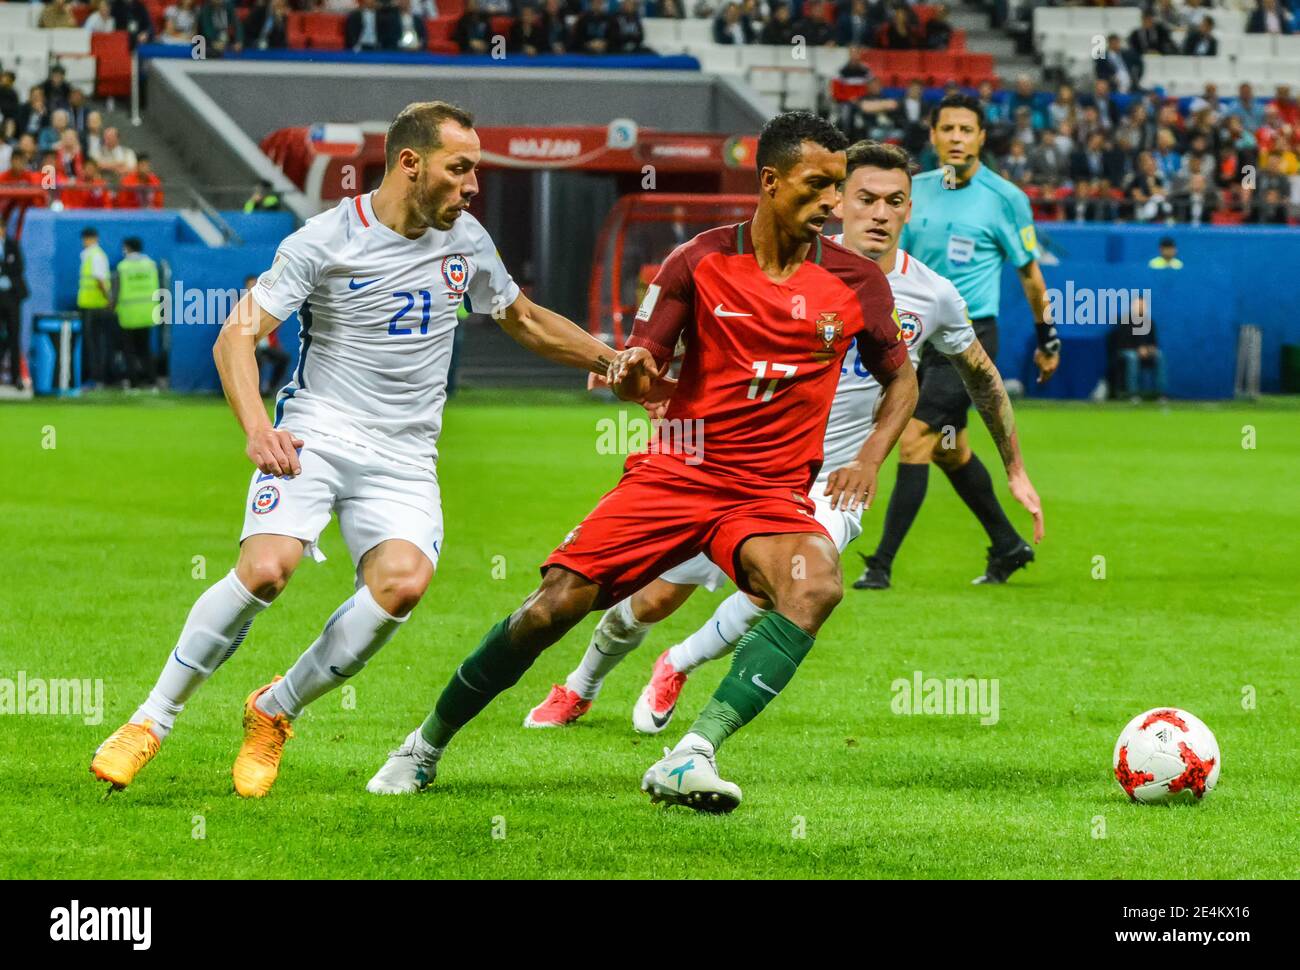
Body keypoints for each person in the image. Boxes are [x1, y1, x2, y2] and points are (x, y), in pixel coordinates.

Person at [89, 101, 644, 797]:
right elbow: (236, 335)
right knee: (266, 569)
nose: (474, 185)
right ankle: (151, 719)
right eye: (460, 167)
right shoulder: (324, 240)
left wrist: (613, 358)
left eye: (477, 169)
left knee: (402, 587)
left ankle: (274, 709)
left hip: (406, 457)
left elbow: (523, 318)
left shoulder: (466, 240)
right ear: (410, 164)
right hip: (317, 431)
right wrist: (258, 428)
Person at [366, 111, 918, 812]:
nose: (832, 205)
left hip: (770, 493)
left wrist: (870, 457)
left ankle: (692, 754)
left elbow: (901, 379)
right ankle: (423, 746)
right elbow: (645, 362)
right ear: (771, 181)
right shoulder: (697, 261)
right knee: (551, 609)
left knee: (815, 586)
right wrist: (631, 373)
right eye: (818, 186)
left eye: (838, 188)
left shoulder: (857, 282)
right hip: (679, 470)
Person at [525, 141, 1043, 734]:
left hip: (830, 483)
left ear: (910, 211)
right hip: (730, 466)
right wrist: (643, 371)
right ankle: (579, 686)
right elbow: (709, 343)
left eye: (894, 202)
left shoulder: (934, 295)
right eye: (864, 198)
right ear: (837, 203)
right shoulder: (778, 266)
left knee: (795, 585)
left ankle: (678, 664)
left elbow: (981, 375)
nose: (879, 213)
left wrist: (1016, 468)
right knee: (651, 601)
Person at [857, 93, 1057, 591]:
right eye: (948, 129)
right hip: (912, 336)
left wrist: (1046, 335)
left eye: (967, 130)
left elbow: (1030, 274)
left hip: (969, 338)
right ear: (933, 135)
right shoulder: (911, 192)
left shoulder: (1005, 198)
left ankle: (880, 565)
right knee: (951, 450)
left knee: (915, 438)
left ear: (982, 138)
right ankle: (1008, 545)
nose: (957, 138)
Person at [112, 236, 161, 389]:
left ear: (127, 247)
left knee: (129, 350)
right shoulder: (151, 265)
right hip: (147, 312)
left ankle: (133, 382)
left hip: (129, 313)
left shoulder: (123, 267)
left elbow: (116, 290)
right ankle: (152, 380)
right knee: (145, 348)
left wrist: (112, 305)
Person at [77, 226, 115, 386]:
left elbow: (100, 280)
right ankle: (95, 376)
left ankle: (98, 377)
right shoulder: (89, 255)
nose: (84, 242)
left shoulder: (96, 256)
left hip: (96, 306)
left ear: (92, 238)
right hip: (90, 304)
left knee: (95, 343)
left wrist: (108, 300)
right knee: (94, 343)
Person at [1111, 296, 1166, 402]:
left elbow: (1154, 342)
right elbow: (1122, 342)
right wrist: (1138, 349)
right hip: (1126, 352)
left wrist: (1150, 349)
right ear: (1133, 306)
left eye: (1143, 305)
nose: (1140, 307)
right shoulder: (1125, 321)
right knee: (1133, 357)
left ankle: (1160, 393)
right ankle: (1133, 394)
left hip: (1145, 352)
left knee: (1159, 355)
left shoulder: (1150, 322)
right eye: (1138, 305)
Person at [245, 273, 290, 395]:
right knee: (257, 356)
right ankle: (254, 391)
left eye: (256, 285)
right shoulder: (241, 306)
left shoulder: (268, 305)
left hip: (268, 346)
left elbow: (274, 326)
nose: (254, 287)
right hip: (250, 346)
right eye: (251, 285)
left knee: (284, 357)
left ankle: (270, 387)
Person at [0, 219, 27, 389]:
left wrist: (3, 268)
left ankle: (16, 377)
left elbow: (18, 267)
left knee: (14, 336)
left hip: (12, 297)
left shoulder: (13, 245)